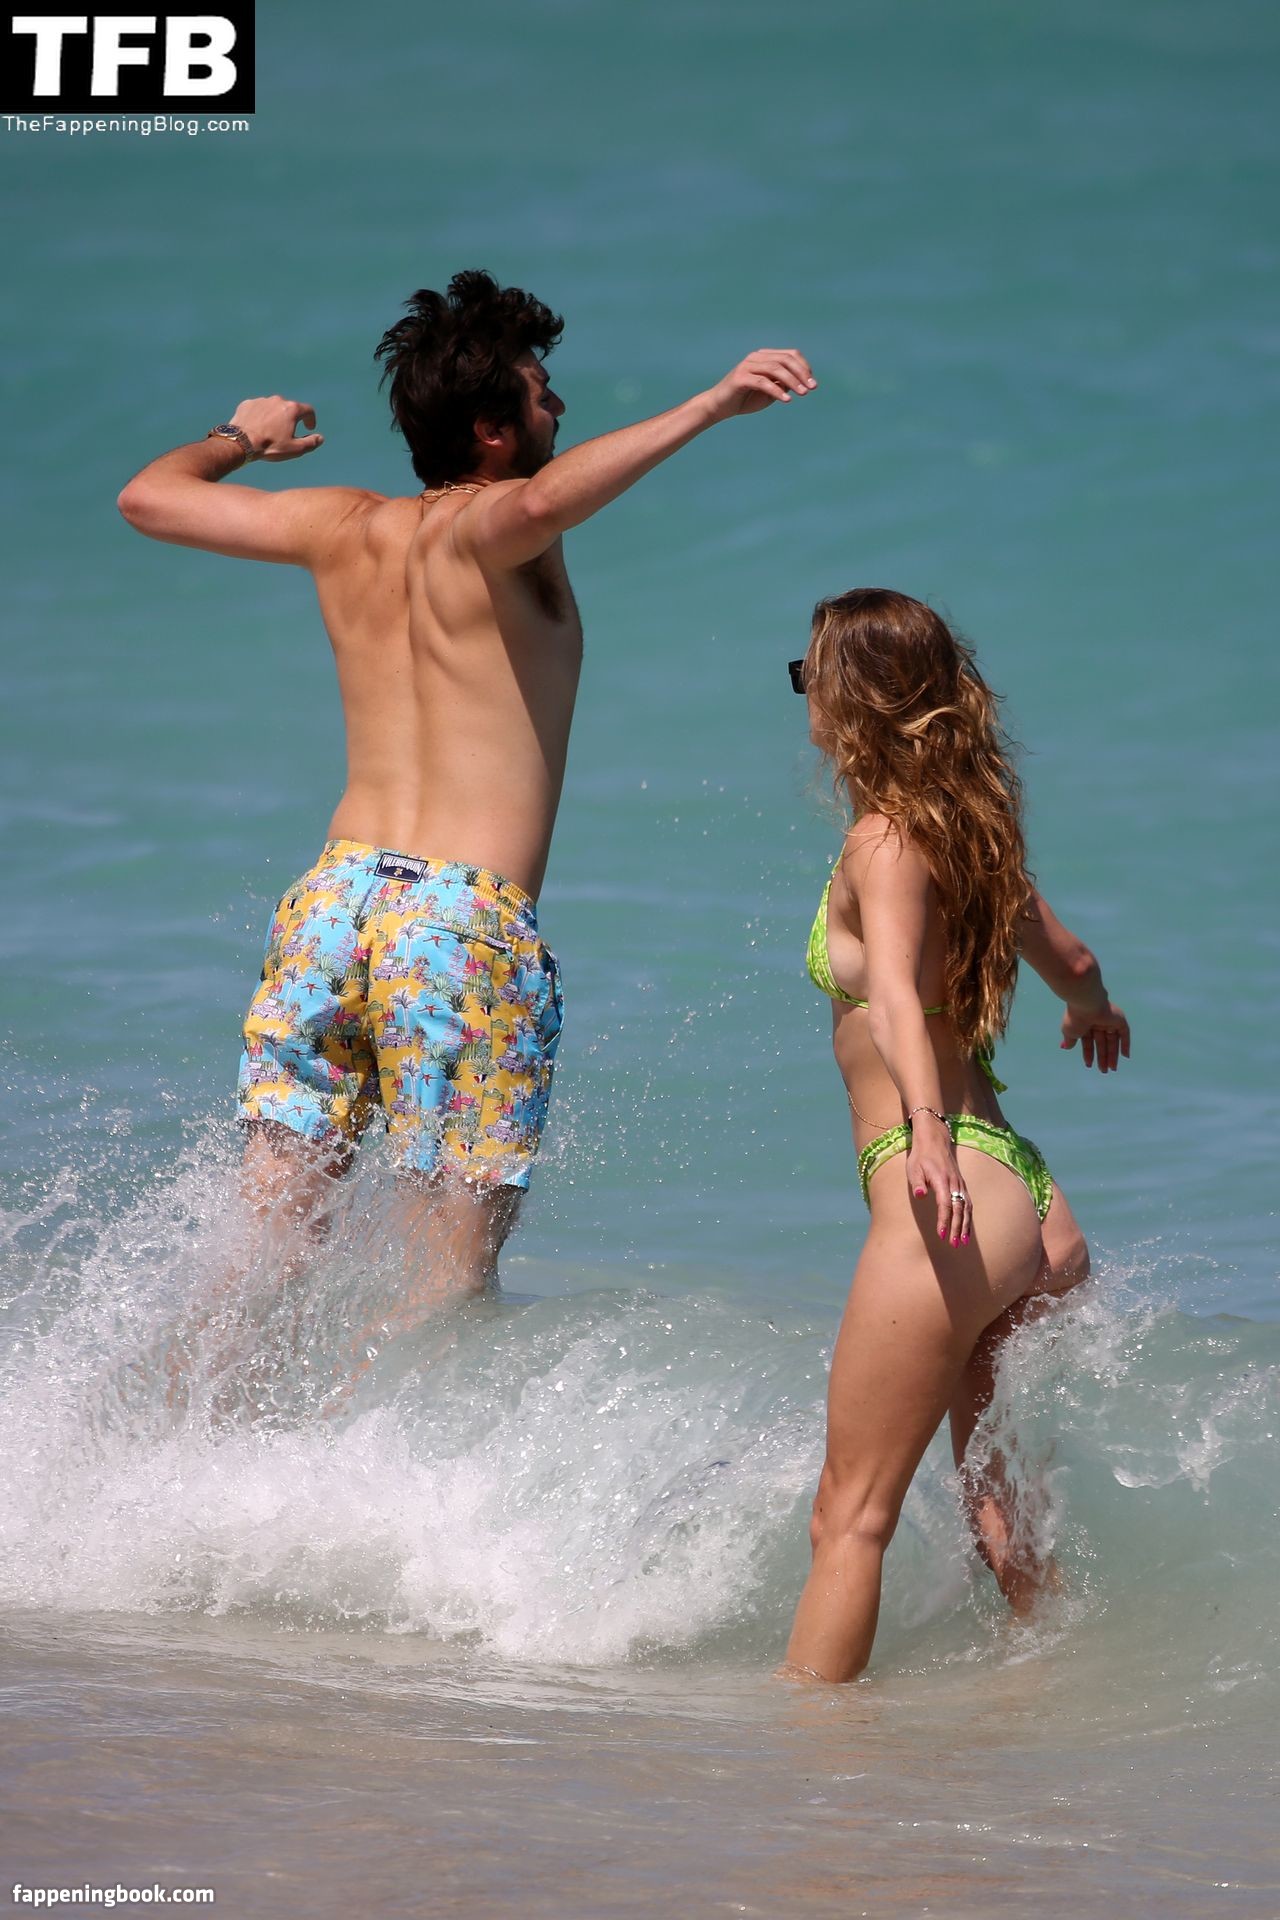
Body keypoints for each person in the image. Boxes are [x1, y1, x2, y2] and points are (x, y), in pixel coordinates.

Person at [116, 269, 817, 1366]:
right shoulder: (498, 528)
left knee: (265, 1251)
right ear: (493, 431)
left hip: (331, 907)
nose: (560, 408)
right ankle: (381, 1467)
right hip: (456, 924)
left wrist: (240, 436)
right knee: (447, 1287)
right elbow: (536, 505)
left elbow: (148, 499)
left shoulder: (339, 526)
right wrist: (708, 406)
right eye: (542, 394)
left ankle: (171, 1440)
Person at [781, 588, 1129, 1684]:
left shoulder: (882, 841)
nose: (802, 697)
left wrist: (924, 1132)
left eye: (806, 677)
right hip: (1030, 1205)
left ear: (849, 701)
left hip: (946, 1199)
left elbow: (891, 994)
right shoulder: (973, 832)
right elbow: (1073, 962)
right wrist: (1092, 1011)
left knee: (849, 1518)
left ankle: (805, 1763)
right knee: (999, 1505)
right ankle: (1049, 1705)